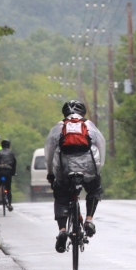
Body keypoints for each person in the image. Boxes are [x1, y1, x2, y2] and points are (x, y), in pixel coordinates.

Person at [45, 100, 106, 253]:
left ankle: (62, 230)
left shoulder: (58, 127)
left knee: (60, 196)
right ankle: (89, 220)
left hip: (65, 168)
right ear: (83, 112)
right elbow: (101, 146)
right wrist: (98, 169)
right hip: (88, 167)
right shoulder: (90, 126)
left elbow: (49, 152)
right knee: (94, 190)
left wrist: (51, 174)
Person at [0, 139, 17, 212]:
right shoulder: (11, 153)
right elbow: (14, 163)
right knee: (8, 188)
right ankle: (9, 204)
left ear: (2, 145)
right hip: (8, 172)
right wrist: (13, 172)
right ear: (9, 145)